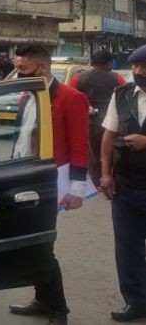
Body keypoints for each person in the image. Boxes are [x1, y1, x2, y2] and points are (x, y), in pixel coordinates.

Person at [9, 45, 89, 325]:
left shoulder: (71, 98)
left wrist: (77, 190)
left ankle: (59, 309)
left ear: (42, 68)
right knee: (32, 244)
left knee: (42, 246)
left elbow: (80, 146)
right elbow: (20, 140)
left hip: (51, 182)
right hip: (25, 179)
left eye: (22, 69)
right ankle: (42, 298)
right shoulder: (26, 96)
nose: (17, 74)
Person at [99, 45, 146, 322]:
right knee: (127, 249)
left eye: (144, 67)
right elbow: (107, 136)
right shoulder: (122, 94)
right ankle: (136, 302)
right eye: (135, 67)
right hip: (126, 185)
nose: (138, 72)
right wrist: (106, 174)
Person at [71, 50, 126, 186]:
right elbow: (126, 98)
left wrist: (85, 108)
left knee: (92, 153)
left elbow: (70, 98)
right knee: (111, 150)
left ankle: (96, 180)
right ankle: (110, 176)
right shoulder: (117, 78)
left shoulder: (79, 78)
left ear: (92, 63)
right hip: (112, 123)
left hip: (89, 122)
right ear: (109, 64)